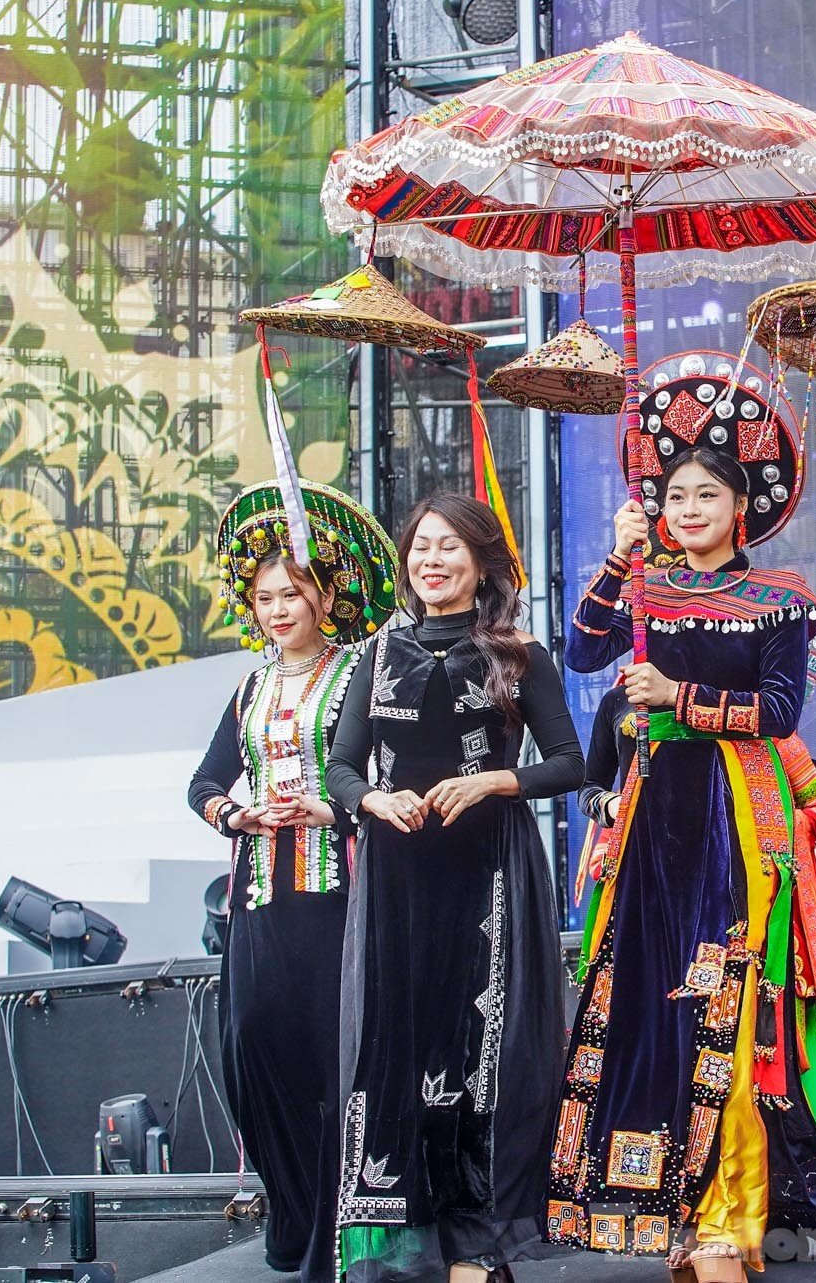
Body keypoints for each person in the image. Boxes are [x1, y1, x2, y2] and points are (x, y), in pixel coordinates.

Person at [553, 421, 816, 1283]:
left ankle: (733, 1211)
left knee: (729, 1004)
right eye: (674, 495)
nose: (688, 508)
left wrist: (677, 694)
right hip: (653, 824)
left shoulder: (779, 596)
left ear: (741, 508)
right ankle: (669, 1212)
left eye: (707, 495)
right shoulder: (644, 591)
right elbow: (581, 649)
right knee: (649, 1003)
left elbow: (778, 709)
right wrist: (618, 562)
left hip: (735, 817)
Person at [324, 493, 582, 1283]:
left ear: (480, 562)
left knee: (488, 1056)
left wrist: (495, 781)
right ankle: (417, 1233)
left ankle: (479, 1238)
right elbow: (338, 768)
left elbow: (573, 762)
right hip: (399, 877)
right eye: (420, 549)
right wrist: (372, 797)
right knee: (398, 1048)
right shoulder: (376, 653)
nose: (431, 561)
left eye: (448, 548)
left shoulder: (516, 653)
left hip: (489, 872)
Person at [186, 480, 400, 1282]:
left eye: (293, 592)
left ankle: (342, 1232)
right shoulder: (247, 686)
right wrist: (234, 817)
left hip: (337, 894)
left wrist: (333, 807)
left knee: (332, 1060)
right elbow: (204, 783)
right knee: (256, 1051)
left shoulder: (359, 676)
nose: (279, 608)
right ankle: (293, 1212)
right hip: (258, 898)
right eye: (266, 595)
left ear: (325, 596)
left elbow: (381, 774)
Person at [577, 683, 816, 1205]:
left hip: (759, 925)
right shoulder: (621, 702)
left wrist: (786, 838)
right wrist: (615, 807)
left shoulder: (777, 744)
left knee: (758, 1055)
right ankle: (665, 1192)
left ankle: (771, 1197)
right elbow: (591, 786)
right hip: (654, 905)